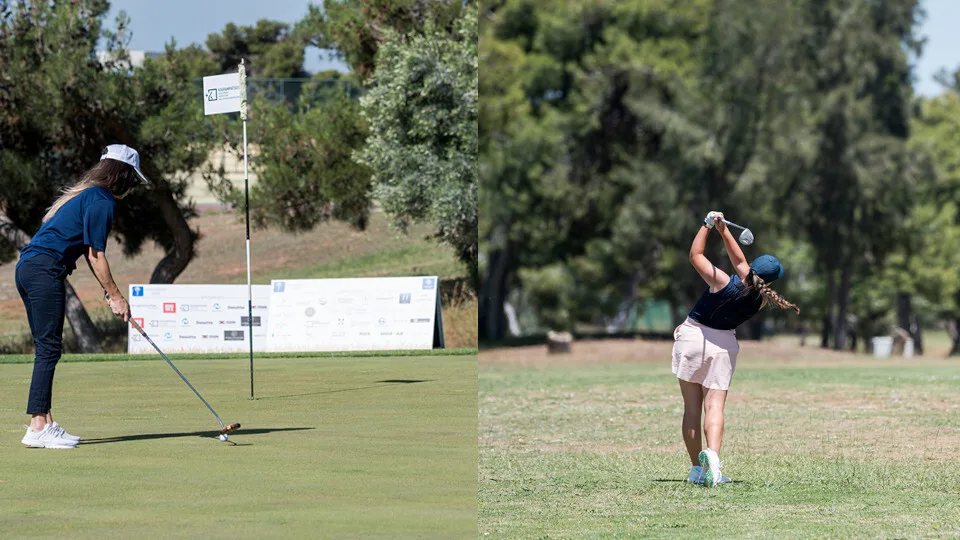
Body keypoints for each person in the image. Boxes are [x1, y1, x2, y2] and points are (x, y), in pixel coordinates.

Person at [16, 144, 149, 449]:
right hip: (43, 270)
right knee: (49, 348)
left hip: (28, 268)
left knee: (45, 347)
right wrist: (115, 296)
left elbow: (87, 252)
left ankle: (45, 422)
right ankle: (37, 426)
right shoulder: (102, 201)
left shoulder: (84, 196)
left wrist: (109, 292)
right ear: (123, 175)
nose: (133, 187)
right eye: (133, 180)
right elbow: (96, 254)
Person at [674, 211, 799, 486]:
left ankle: (697, 469)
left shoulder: (721, 282)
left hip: (693, 338)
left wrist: (707, 225)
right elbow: (740, 262)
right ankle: (714, 464)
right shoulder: (761, 300)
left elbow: (696, 256)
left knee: (692, 409)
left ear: (752, 268)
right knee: (714, 407)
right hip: (723, 347)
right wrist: (723, 230)